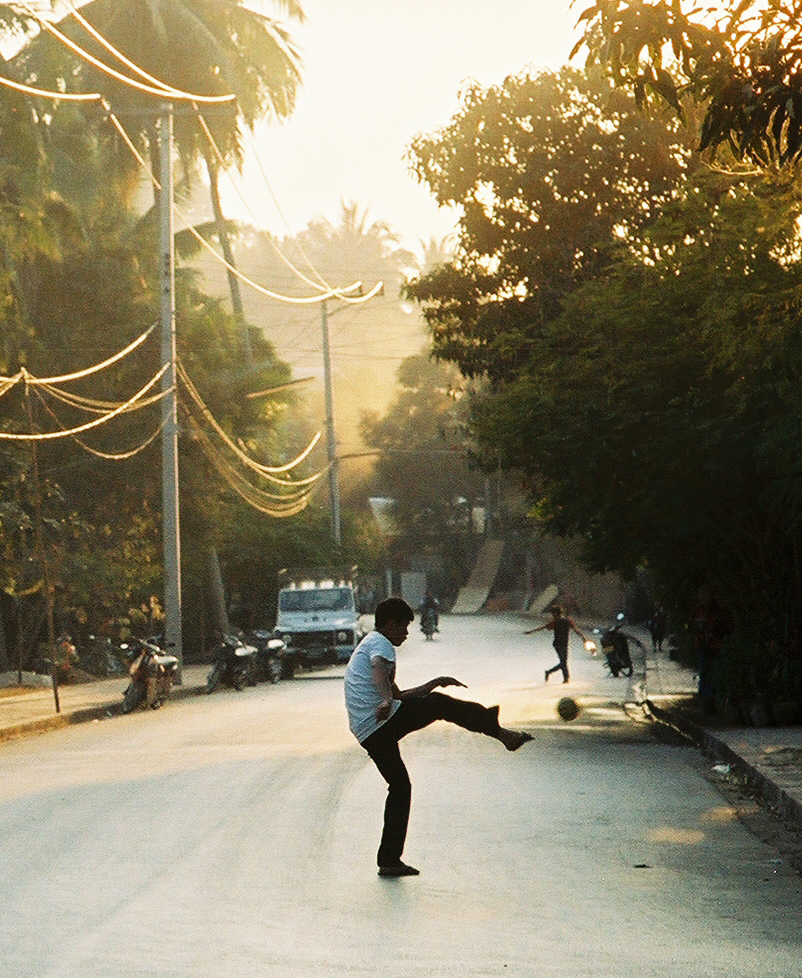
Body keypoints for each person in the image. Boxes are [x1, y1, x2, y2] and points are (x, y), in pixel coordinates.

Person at [344, 596, 533, 878]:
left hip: (367, 731)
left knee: (400, 786)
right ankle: (501, 733)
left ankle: (389, 860)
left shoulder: (371, 643)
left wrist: (432, 683)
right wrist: (384, 701)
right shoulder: (380, 644)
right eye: (404, 628)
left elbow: (398, 696)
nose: (407, 634)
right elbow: (378, 673)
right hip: (380, 722)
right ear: (391, 624)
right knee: (441, 704)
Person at [524, 604, 590, 684]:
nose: (552, 616)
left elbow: (544, 627)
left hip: (557, 644)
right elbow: (576, 630)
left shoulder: (556, 622)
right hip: (563, 643)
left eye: (552, 614)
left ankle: (559, 676)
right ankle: (564, 678)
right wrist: (583, 637)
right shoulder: (567, 620)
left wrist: (531, 631)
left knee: (563, 661)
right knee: (563, 661)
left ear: (555, 613)